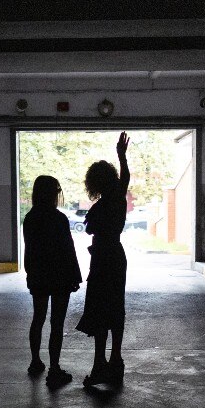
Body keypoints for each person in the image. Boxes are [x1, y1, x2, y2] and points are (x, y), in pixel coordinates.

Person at [75, 131, 130, 388]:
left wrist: (122, 156)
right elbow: (125, 177)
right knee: (115, 308)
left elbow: (89, 229)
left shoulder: (103, 204)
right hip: (116, 256)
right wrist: (122, 157)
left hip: (102, 259)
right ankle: (116, 362)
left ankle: (99, 365)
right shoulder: (118, 198)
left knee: (99, 310)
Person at [22, 175, 82, 387]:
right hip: (60, 277)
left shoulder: (30, 218)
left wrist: (30, 274)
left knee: (38, 318)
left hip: (39, 276)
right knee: (57, 323)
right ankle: (54, 368)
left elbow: (29, 251)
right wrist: (75, 276)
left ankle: (35, 361)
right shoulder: (59, 219)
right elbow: (68, 250)